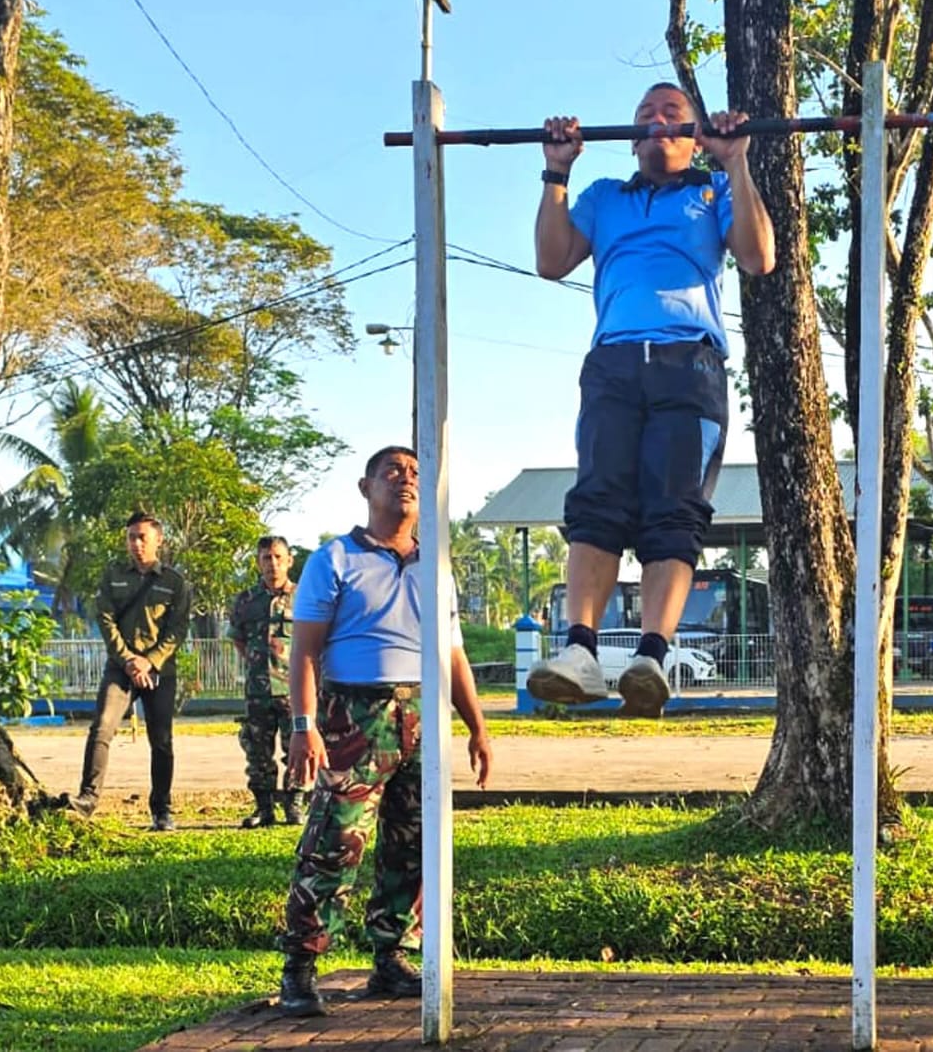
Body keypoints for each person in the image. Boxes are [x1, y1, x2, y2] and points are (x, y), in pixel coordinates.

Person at [525, 81, 776, 719]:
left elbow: (758, 256)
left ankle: (652, 656)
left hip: (686, 364)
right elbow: (552, 262)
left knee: (674, 511)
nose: (656, 122)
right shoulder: (604, 197)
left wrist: (736, 162)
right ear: (633, 137)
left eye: (672, 114)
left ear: (693, 136)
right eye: (645, 115)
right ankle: (580, 650)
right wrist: (556, 171)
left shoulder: (710, 191)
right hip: (612, 362)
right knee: (597, 501)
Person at [276, 446, 493, 1018]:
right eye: (392, 472)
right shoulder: (335, 560)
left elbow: (453, 655)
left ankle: (392, 956)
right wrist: (304, 727)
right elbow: (303, 653)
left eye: (415, 474)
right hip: (354, 718)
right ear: (364, 486)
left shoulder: (436, 565)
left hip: (422, 718)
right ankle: (300, 967)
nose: (406, 481)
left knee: (414, 844)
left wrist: (477, 728)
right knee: (334, 845)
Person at [67, 512, 191, 830]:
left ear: (158, 540)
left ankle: (161, 810)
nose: (136, 544)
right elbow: (105, 620)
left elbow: (177, 630)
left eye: (142, 537)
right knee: (102, 728)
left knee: (161, 740)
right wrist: (129, 661)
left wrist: (149, 661)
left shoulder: (174, 582)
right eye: (131, 537)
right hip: (121, 668)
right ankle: (88, 799)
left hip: (159, 670)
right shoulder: (113, 575)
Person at [227, 535, 306, 828]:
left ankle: (295, 806)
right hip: (258, 690)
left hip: (294, 689)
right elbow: (237, 638)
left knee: (296, 749)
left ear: (289, 560)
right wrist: (256, 662)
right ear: (258, 562)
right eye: (266, 558)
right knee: (257, 751)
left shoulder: (304, 597)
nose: (272, 564)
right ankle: (264, 808)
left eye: (277, 557)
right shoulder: (247, 600)